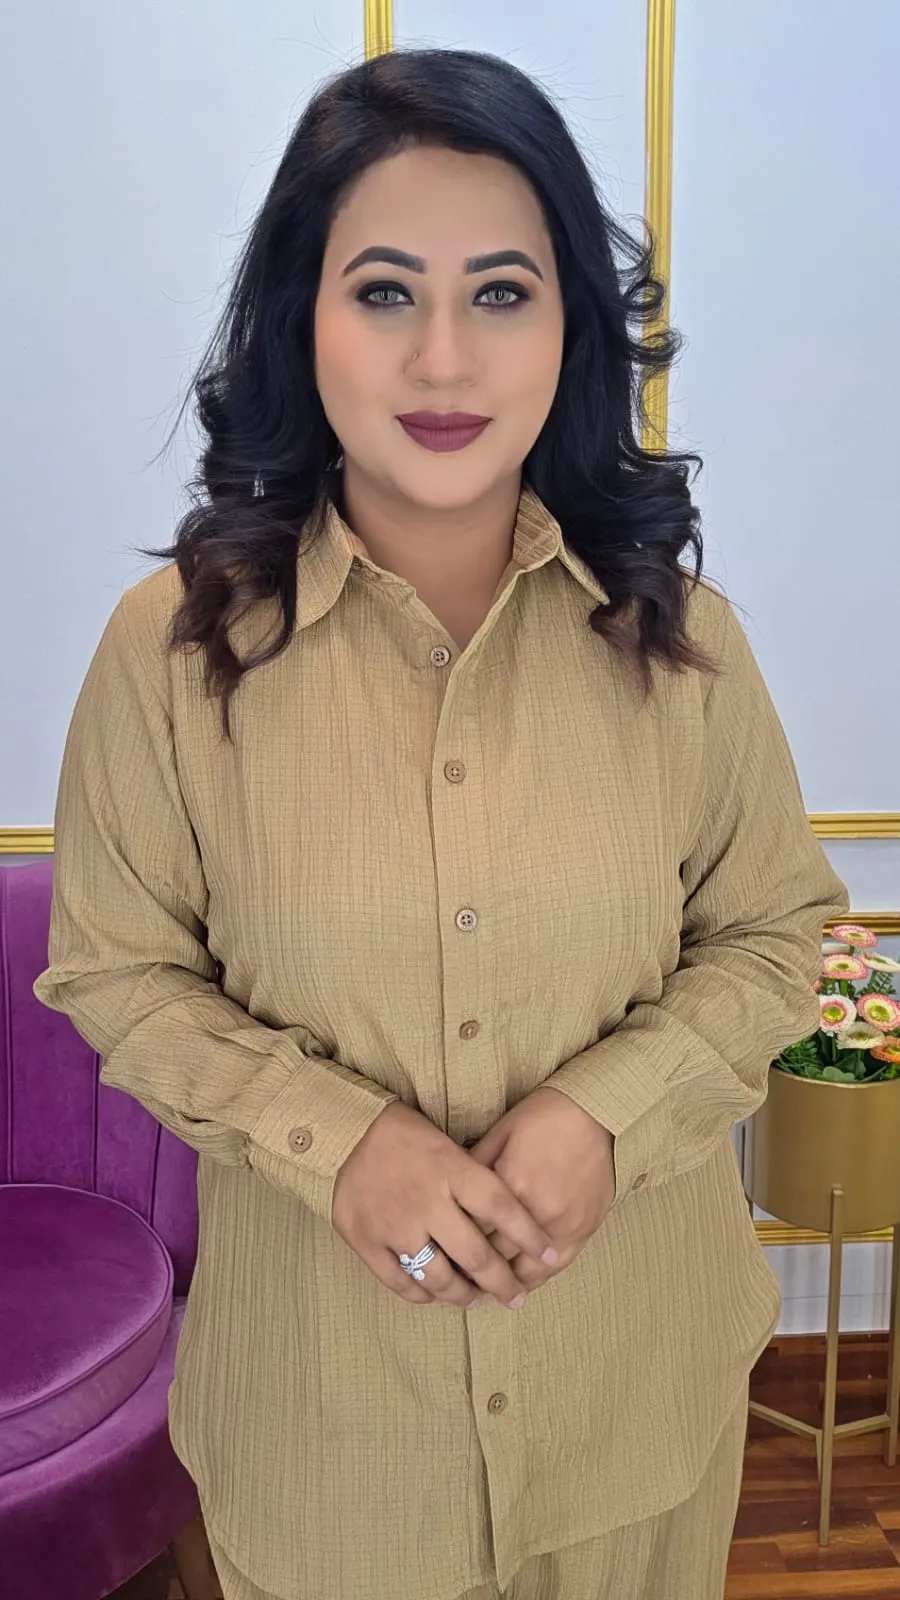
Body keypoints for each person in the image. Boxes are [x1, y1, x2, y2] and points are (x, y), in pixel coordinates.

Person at [34, 47, 850, 1600]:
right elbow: (118, 974)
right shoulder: (171, 654)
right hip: (328, 1443)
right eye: (386, 291)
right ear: (302, 318)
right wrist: (336, 1141)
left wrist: (609, 1114)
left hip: (636, 1411)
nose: (445, 360)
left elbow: (772, 934)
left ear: (571, 326)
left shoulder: (682, 640)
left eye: (502, 292)